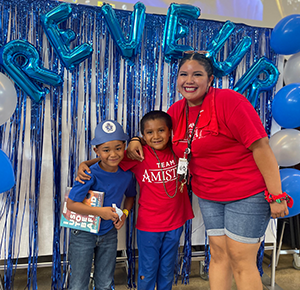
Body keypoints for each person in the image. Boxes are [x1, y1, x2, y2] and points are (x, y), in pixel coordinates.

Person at [126, 52, 292, 290]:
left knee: (240, 258)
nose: (189, 80)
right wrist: (134, 139)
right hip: (209, 195)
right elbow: (155, 132)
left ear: (210, 79)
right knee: (218, 253)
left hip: (246, 192)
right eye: (183, 74)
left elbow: (262, 148)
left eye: (197, 74)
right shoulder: (177, 110)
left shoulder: (229, 101)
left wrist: (276, 196)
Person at [77, 111, 194, 290]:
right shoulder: (138, 155)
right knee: (147, 270)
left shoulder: (178, 149)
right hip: (149, 225)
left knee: (167, 269)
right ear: (143, 135)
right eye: (149, 132)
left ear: (170, 131)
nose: (156, 136)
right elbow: (109, 158)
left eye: (161, 130)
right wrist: (85, 164)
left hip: (175, 222)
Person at [67, 119, 137, 290]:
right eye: (106, 150)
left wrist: (125, 214)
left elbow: (130, 196)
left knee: (105, 282)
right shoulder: (88, 174)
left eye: (118, 148)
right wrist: (100, 212)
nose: (113, 154)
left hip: (108, 233)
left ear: (124, 147)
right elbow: (71, 204)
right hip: (83, 234)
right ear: (96, 150)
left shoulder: (127, 175)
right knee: (78, 284)